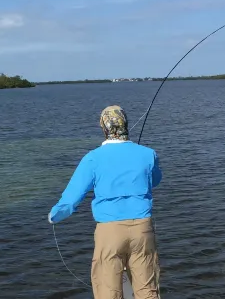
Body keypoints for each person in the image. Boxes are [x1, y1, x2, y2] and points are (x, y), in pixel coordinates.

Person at [48, 105, 162, 299]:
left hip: (110, 232)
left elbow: (71, 199)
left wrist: (54, 216)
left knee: (108, 292)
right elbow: (156, 180)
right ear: (125, 124)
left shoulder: (92, 158)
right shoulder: (148, 154)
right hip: (143, 230)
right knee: (147, 291)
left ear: (104, 127)